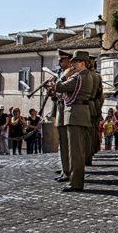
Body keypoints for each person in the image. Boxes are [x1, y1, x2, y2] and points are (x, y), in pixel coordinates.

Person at [53, 50, 93, 192]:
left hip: (75, 114)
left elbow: (60, 87)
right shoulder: (85, 75)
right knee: (77, 151)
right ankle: (75, 179)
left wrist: (63, 76)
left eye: (75, 62)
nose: (72, 64)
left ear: (82, 63)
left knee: (75, 152)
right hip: (80, 114)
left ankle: (76, 182)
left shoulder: (78, 77)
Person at [50, 49, 72, 183]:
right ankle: (65, 169)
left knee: (66, 142)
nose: (59, 62)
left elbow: (66, 92)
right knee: (63, 142)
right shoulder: (62, 74)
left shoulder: (69, 75)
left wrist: (57, 88)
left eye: (61, 60)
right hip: (61, 108)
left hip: (66, 109)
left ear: (68, 61)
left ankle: (68, 170)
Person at [86, 55, 103, 165]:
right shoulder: (96, 76)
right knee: (92, 131)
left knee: (88, 133)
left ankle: (88, 154)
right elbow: (100, 95)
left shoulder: (89, 75)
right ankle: (92, 151)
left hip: (88, 104)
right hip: (95, 104)